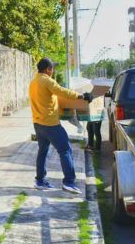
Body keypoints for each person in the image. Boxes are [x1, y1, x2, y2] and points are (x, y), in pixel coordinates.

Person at [29, 58, 93, 194]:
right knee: (65, 150)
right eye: (52, 68)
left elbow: (48, 98)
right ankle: (69, 182)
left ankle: (39, 181)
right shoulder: (47, 80)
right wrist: (82, 96)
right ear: (47, 69)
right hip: (50, 124)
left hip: (38, 123)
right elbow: (62, 92)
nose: (53, 71)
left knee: (42, 151)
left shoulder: (33, 82)